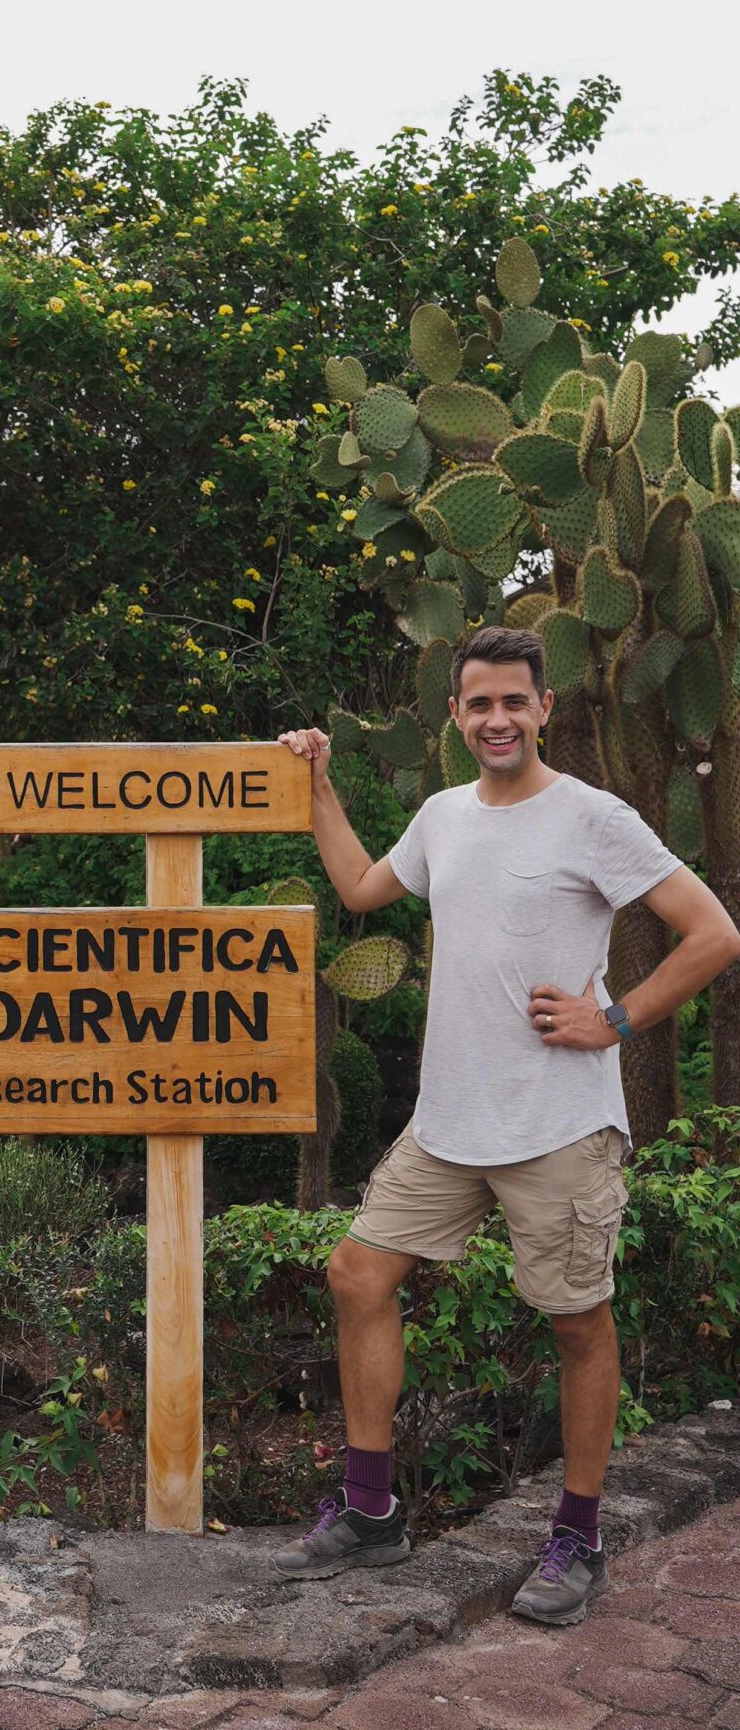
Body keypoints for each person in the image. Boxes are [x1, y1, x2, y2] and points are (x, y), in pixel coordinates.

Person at [274, 622, 740, 1626]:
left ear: (544, 709)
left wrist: (611, 1016)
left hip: (558, 1127)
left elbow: (713, 933)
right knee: (357, 1273)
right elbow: (362, 888)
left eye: (513, 701)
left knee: (578, 1325)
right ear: (456, 714)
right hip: (449, 1124)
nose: (496, 718)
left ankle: (577, 1537)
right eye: (478, 702)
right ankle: (369, 1510)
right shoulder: (443, 816)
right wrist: (317, 786)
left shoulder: (593, 818)